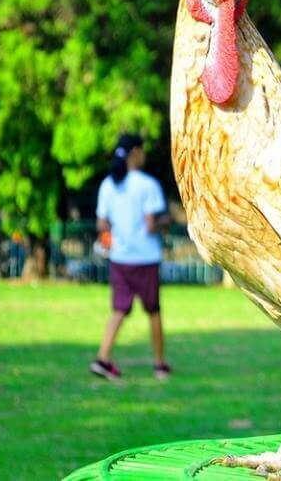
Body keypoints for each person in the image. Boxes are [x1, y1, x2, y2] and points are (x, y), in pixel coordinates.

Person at [90, 134, 172, 381]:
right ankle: (159, 364)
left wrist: (116, 236)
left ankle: (103, 358)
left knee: (119, 310)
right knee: (153, 310)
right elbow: (151, 224)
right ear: (136, 152)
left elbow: (102, 223)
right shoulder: (147, 185)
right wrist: (166, 220)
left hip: (120, 258)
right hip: (145, 257)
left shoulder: (107, 185)